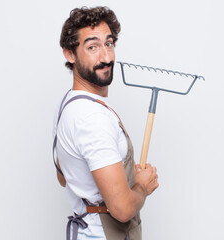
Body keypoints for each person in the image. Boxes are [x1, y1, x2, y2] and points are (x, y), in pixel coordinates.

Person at [52, 6, 159, 240]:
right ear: (70, 54)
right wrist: (141, 186)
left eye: (108, 44)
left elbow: (64, 176)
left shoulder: (69, 104)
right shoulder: (92, 118)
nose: (106, 57)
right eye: (92, 47)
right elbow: (121, 210)